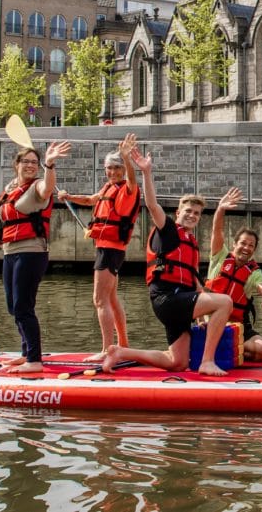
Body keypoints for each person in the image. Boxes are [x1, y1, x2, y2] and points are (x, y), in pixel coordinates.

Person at [101, 134, 233, 376]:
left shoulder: (191, 242)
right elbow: (152, 205)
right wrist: (146, 172)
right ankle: (207, 361)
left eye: (196, 213)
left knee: (177, 362)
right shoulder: (168, 228)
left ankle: (120, 352)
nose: (192, 215)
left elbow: (194, 282)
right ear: (178, 212)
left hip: (181, 301)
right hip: (168, 298)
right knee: (225, 301)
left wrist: (201, 316)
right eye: (188, 211)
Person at [0, 138, 71, 374]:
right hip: (10, 252)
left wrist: (49, 165)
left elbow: (48, 188)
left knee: (23, 306)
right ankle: (26, 352)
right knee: (13, 307)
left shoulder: (38, 186)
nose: (30, 165)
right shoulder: (10, 189)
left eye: (34, 162)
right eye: (26, 162)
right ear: (16, 164)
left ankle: (34, 359)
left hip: (31, 252)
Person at [58, 150, 142, 357]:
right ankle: (123, 345)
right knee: (111, 298)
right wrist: (69, 197)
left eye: (117, 168)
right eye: (109, 168)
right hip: (108, 249)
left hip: (111, 250)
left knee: (99, 299)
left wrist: (127, 159)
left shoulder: (128, 189)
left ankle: (107, 350)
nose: (113, 172)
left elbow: (132, 179)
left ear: (123, 169)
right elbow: (90, 200)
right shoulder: (108, 187)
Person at [206, 187, 262, 362]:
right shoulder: (219, 255)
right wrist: (220, 209)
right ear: (234, 244)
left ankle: (225, 348)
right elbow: (216, 230)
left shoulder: (254, 273)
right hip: (210, 321)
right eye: (243, 243)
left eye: (251, 245)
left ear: (254, 250)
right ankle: (220, 346)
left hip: (237, 326)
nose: (246, 248)